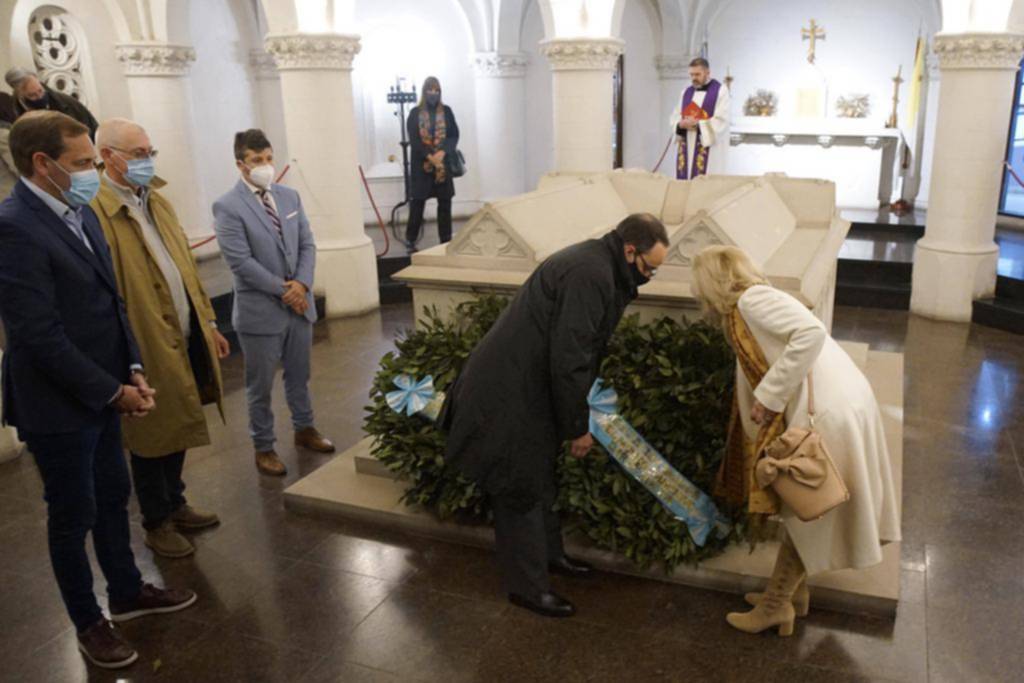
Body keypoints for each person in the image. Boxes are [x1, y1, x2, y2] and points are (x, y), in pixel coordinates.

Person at [0, 111, 196, 669]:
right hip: (56, 403)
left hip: (106, 386)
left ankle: (127, 591)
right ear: (43, 164)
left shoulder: (80, 211)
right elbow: (38, 334)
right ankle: (89, 622)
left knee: (112, 495)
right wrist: (111, 392)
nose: (93, 172)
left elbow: (112, 300)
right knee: (72, 514)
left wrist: (131, 366)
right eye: (83, 162)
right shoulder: (13, 226)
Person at [440, 213, 670, 618]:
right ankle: (527, 588)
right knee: (520, 487)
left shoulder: (599, 263)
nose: (649, 277)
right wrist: (577, 427)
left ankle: (550, 556)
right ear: (629, 250)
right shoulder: (591, 273)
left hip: (528, 386)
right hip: (508, 392)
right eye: (649, 268)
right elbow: (570, 357)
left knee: (540, 478)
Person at [690, 245, 900, 636]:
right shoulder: (749, 304)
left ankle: (776, 606)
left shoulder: (753, 300)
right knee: (806, 508)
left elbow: (810, 333)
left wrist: (770, 396)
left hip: (829, 411)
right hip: (838, 403)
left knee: (808, 510)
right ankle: (792, 595)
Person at [91, 119, 230, 558]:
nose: (147, 161)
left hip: (183, 329)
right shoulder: (95, 210)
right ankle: (157, 521)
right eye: (138, 154)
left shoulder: (158, 200)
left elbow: (186, 265)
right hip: (145, 338)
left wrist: (208, 322)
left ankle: (176, 500)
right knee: (151, 433)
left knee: (181, 417)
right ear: (108, 156)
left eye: (150, 152)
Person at [212, 129, 334, 477]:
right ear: (241, 164)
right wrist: (286, 291)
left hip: (299, 305)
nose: (265, 165)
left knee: (299, 375)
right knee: (260, 385)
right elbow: (240, 262)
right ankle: (264, 446)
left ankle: (304, 428)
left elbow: (307, 244)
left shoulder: (289, 196)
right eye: (256, 160)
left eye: (268, 158)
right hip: (261, 311)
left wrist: (303, 284)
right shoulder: (228, 206)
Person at [405, 76, 459, 250]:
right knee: (417, 203)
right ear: (424, 92)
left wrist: (442, 153)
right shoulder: (415, 113)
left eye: (436, 90)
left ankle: (445, 239)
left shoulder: (447, 111)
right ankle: (411, 239)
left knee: (445, 203)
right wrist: (430, 157)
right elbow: (415, 141)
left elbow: (454, 135)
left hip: (442, 165)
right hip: (422, 166)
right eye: (430, 90)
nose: (433, 93)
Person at [669, 58, 730, 179]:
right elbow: (675, 115)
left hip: (708, 146)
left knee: (705, 184)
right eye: (691, 75)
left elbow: (722, 120)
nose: (693, 78)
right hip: (687, 143)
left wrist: (698, 124)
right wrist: (680, 124)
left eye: (697, 74)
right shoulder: (686, 92)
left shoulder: (720, 91)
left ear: (707, 72)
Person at [4, 68, 98, 138]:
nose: (40, 97)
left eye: (40, 91)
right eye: (32, 95)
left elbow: (93, 128)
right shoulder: (12, 112)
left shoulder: (66, 103)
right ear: (19, 94)